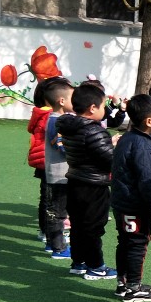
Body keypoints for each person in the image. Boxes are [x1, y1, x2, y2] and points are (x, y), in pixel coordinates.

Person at [109, 95, 151, 302]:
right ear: (149, 121)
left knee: (126, 242)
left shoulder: (128, 138)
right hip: (136, 205)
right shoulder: (142, 146)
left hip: (122, 203)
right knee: (137, 244)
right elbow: (148, 181)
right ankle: (134, 287)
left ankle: (123, 283)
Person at [56, 83, 117, 281]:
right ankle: (96, 266)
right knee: (93, 228)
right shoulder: (94, 131)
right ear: (92, 108)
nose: (104, 110)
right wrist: (116, 148)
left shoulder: (70, 127)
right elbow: (110, 159)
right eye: (103, 106)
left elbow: (91, 151)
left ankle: (79, 262)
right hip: (94, 185)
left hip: (75, 181)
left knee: (79, 225)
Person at [42, 79, 75, 260]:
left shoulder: (57, 119)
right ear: (62, 101)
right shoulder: (57, 121)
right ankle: (58, 248)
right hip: (59, 174)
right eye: (72, 98)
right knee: (58, 212)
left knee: (56, 211)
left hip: (59, 173)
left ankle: (52, 243)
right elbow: (62, 147)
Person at [27, 80, 53, 244]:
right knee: (50, 198)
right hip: (49, 160)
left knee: (46, 197)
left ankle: (45, 230)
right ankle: (48, 231)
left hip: (42, 160)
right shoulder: (51, 115)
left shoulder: (41, 113)